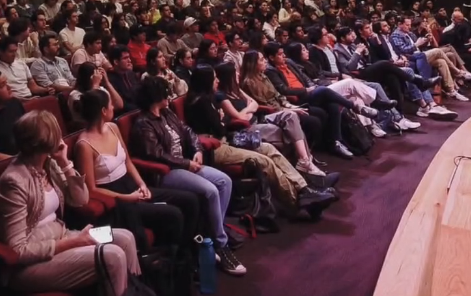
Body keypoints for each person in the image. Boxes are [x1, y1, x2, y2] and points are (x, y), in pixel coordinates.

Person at [0, 111, 141, 294]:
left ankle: (135, 290)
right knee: (113, 256)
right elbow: (18, 250)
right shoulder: (14, 181)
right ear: (46, 140)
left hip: (63, 236)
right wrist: (73, 243)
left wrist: (65, 162)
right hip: (31, 263)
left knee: (125, 238)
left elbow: (80, 199)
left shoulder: (49, 164)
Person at [127, 77, 247, 277]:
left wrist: (197, 150)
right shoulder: (143, 123)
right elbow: (156, 154)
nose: (169, 95)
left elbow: (188, 131)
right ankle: (220, 245)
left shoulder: (167, 114)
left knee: (224, 181)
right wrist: (186, 163)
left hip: (186, 163)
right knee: (210, 191)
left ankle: (211, 233)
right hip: (167, 172)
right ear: (156, 96)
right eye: (165, 92)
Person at [183, 65, 337, 216]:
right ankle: (297, 201)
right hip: (215, 147)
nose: (217, 81)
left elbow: (224, 124)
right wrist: (222, 119)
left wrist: (223, 119)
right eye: (214, 78)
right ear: (206, 81)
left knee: (268, 148)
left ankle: (305, 189)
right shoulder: (201, 102)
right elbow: (220, 129)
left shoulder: (208, 98)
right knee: (264, 161)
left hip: (226, 139)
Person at [72, 89, 199, 253]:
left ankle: (188, 255)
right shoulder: (84, 145)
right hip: (115, 198)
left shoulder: (112, 128)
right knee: (173, 214)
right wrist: (128, 197)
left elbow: (128, 162)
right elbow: (92, 189)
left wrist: (142, 184)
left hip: (131, 185)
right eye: (110, 104)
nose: (113, 107)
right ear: (103, 111)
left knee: (190, 200)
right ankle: (172, 261)